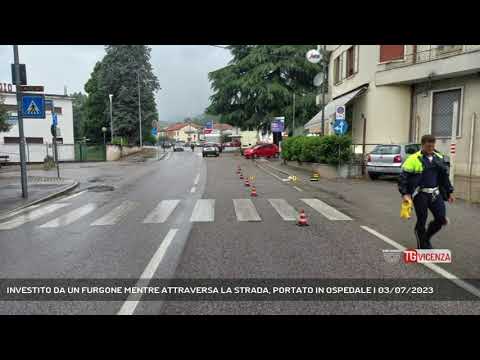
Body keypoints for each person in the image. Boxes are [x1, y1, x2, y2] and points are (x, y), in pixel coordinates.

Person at [398, 134, 455, 249]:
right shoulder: (413, 159)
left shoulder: (438, 157)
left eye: (432, 146)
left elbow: (444, 177)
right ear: (422, 145)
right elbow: (403, 178)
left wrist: (449, 192)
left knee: (441, 219)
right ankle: (422, 245)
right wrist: (405, 194)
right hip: (420, 194)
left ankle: (426, 238)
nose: (430, 148)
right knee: (422, 219)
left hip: (435, 193)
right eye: (428, 146)